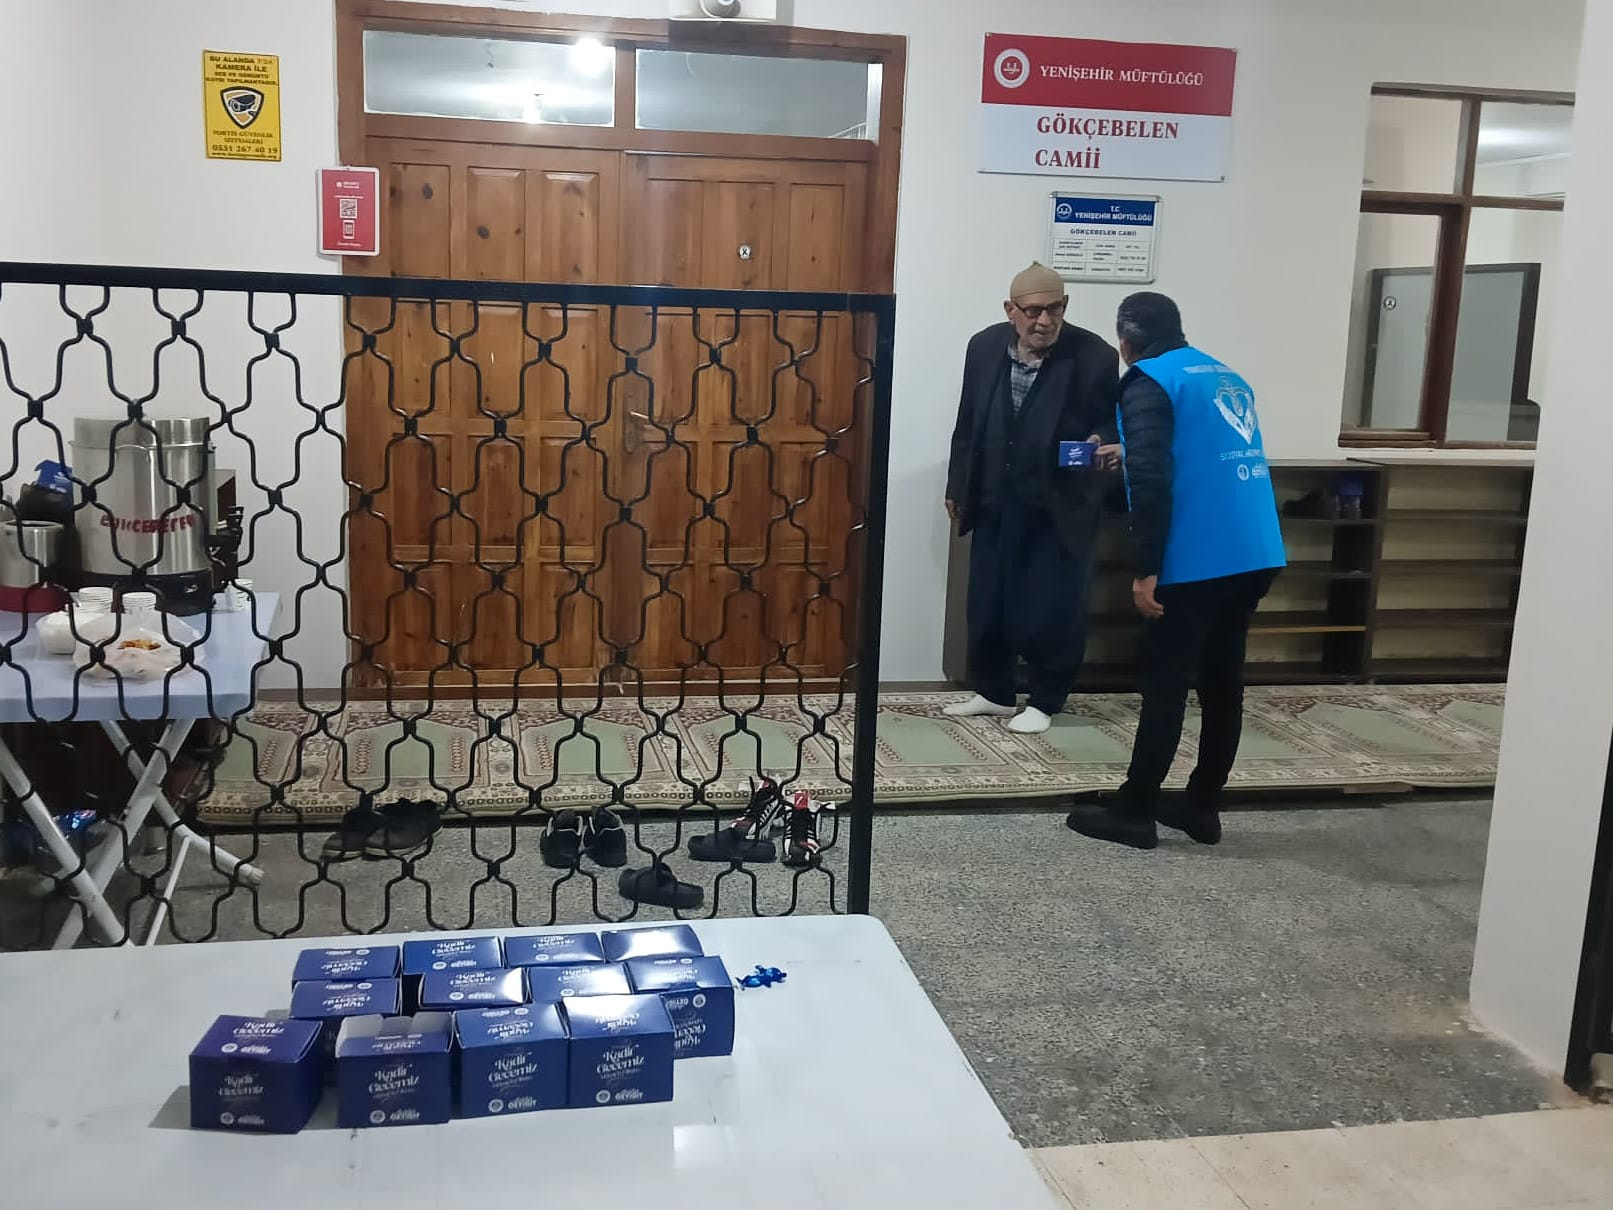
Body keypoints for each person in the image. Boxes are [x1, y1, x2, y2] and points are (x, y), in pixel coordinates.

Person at [1065, 292, 1286, 849]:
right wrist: (1130, 450)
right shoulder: (1223, 374)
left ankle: (1135, 811)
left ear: (1125, 342)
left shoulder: (1147, 380)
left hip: (1198, 555)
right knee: (1221, 681)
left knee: (1166, 684)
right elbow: (1202, 449)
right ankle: (1202, 806)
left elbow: (1151, 481)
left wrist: (1147, 568)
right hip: (1255, 549)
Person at [942, 262, 1120, 735]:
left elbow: (1109, 420)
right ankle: (995, 692)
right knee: (989, 601)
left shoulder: (1094, 356)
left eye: (1054, 309)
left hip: (1060, 505)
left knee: (1053, 606)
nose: (1044, 321)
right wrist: (958, 485)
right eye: (1033, 311)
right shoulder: (984, 347)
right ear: (1010, 310)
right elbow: (967, 420)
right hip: (995, 498)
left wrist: (1102, 442)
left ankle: (1045, 699)